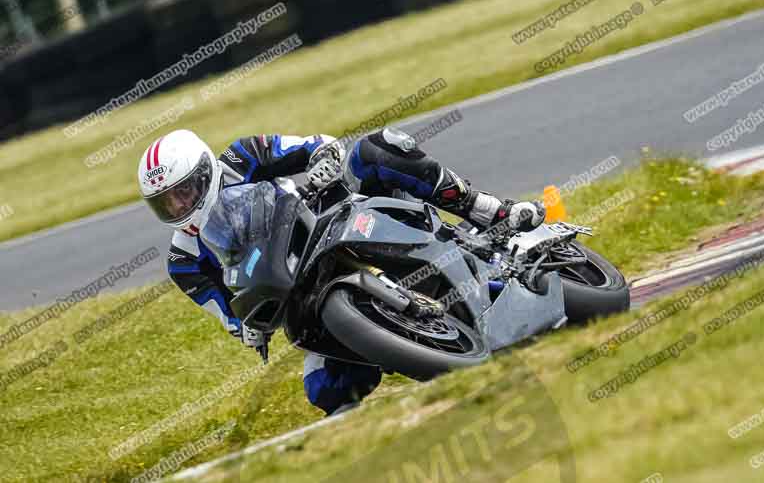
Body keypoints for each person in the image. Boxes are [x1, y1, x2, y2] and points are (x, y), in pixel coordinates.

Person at [137, 128, 545, 415]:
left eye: (184, 191)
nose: (178, 207)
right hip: (298, 290)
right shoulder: (183, 262)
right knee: (324, 391)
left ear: (205, 172)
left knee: (377, 149)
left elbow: (318, 144)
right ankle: (414, 350)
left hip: (327, 216)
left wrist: (321, 163)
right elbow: (230, 315)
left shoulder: (243, 156)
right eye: (165, 203)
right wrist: (247, 328)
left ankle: (488, 211)